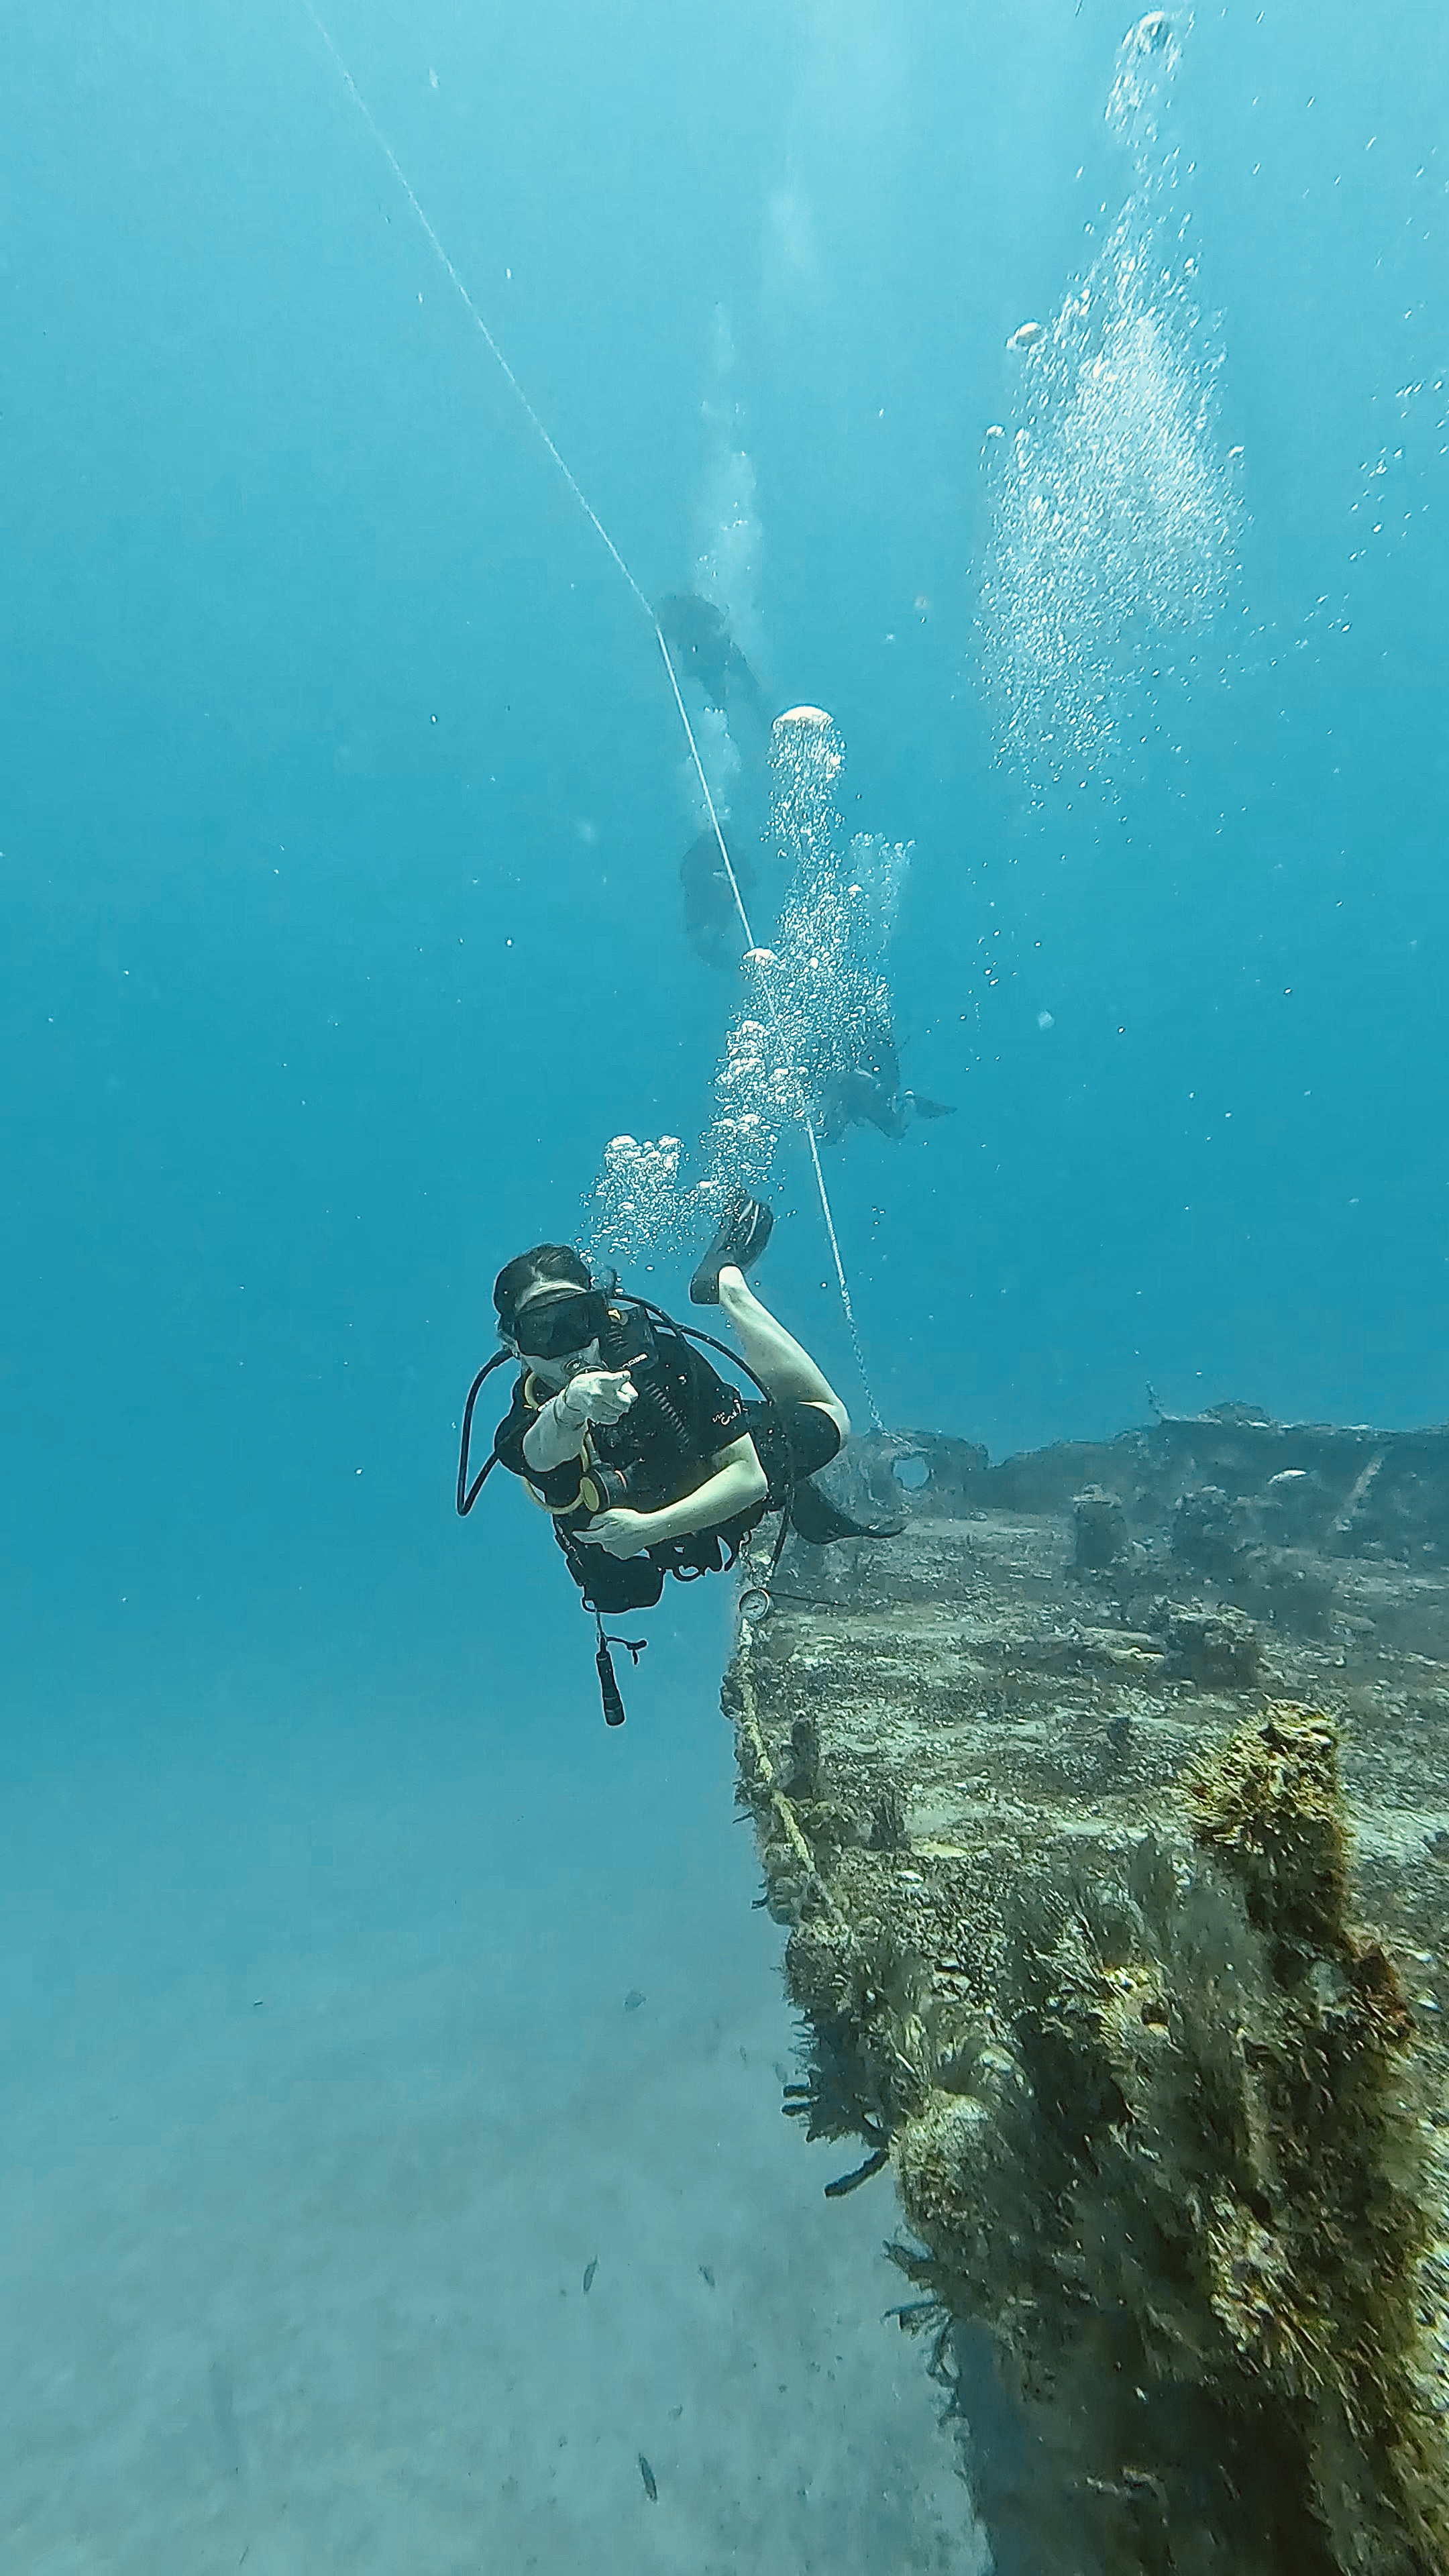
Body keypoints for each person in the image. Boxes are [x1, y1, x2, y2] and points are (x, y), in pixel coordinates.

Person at [489, 1193, 855, 1614]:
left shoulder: (659, 1359)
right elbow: (540, 1454)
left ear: (601, 1313)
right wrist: (569, 1407)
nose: (568, 1346)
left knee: (833, 1420)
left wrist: (650, 1530)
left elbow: (749, 1477)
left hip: (709, 1463)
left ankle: (729, 1288)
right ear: (514, 1346)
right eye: (541, 1331)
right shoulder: (528, 1418)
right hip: (644, 1504)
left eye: (578, 1320)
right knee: (623, 1594)